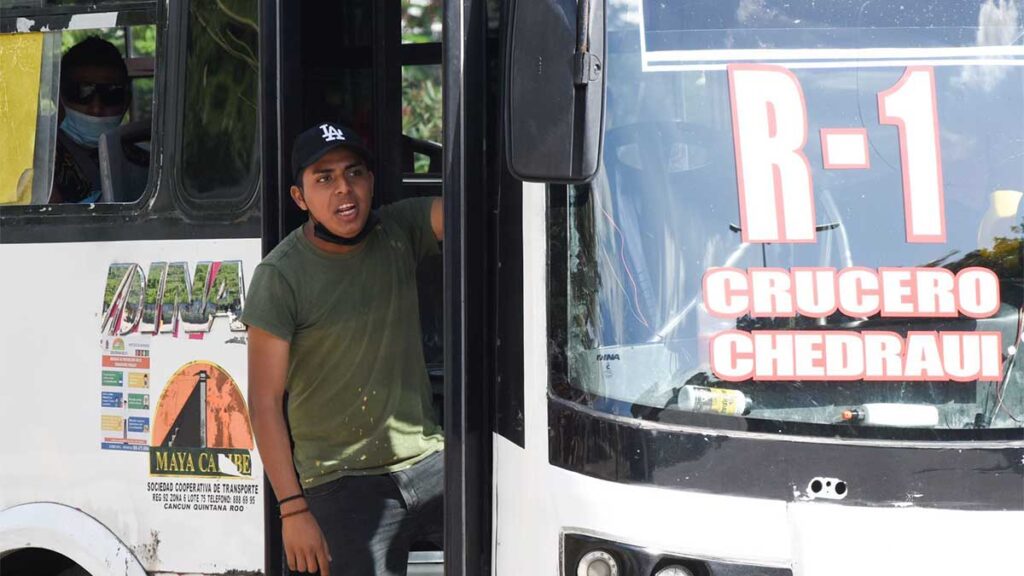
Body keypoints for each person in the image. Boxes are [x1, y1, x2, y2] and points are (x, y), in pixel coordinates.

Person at [243, 122, 444, 576]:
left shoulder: (400, 229)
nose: (344, 190)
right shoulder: (281, 276)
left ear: (371, 181)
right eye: (324, 178)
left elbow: (474, 212)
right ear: (300, 198)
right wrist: (293, 511)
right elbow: (264, 402)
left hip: (431, 462)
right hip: (340, 481)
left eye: (354, 173)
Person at [51, 36, 136, 204]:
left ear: (126, 102)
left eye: (111, 94)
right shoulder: (37, 161)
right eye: (81, 93)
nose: (96, 108)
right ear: (58, 98)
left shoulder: (145, 162)